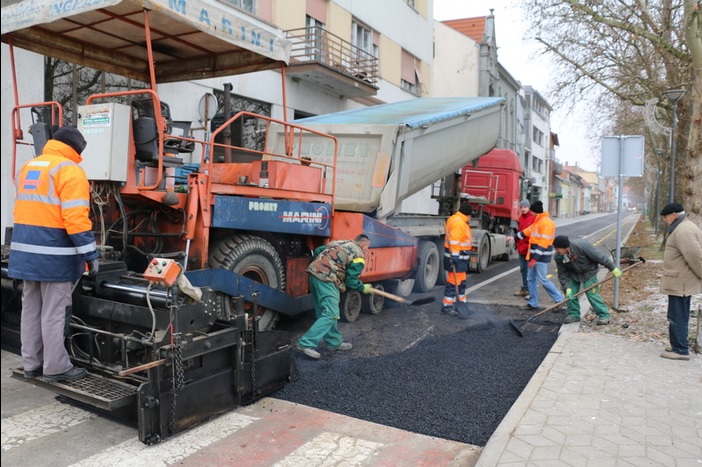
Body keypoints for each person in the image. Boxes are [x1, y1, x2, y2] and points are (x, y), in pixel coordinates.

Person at [8, 126, 99, 383]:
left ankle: (31, 364)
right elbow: (75, 218)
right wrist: (90, 254)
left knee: (31, 309)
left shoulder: (31, 166)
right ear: (76, 149)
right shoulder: (70, 170)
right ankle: (56, 367)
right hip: (54, 256)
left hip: (25, 252)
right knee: (53, 312)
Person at [296, 234, 373, 359]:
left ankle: (333, 342)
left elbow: (317, 251)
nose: (367, 251)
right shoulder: (358, 255)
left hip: (314, 275)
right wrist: (363, 287)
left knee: (324, 311)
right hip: (328, 279)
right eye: (367, 248)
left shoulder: (339, 243)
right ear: (363, 245)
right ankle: (306, 343)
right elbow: (351, 281)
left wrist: (321, 266)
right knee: (331, 314)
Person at [658, 202, 702, 361]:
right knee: (677, 315)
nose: (664, 220)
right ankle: (678, 344)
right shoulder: (684, 226)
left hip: (681, 282)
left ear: (674, 215)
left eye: (665, 217)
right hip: (679, 280)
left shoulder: (682, 230)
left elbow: (695, 256)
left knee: (677, 316)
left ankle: (680, 350)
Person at [553, 235, 623, 325]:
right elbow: (562, 274)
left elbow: (599, 257)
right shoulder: (559, 256)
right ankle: (574, 315)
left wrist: (613, 268)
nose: (556, 251)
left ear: (565, 247)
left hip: (589, 271)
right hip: (573, 274)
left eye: (558, 248)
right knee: (570, 294)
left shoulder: (582, 246)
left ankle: (604, 315)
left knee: (591, 293)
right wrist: (567, 287)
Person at [515, 201, 564, 310]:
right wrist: (514, 237)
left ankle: (559, 300)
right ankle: (533, 303)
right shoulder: (538, 221)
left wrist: (535, 258)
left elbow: (544, 242)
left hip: (540, 257)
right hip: (534, 256)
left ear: (536, 212)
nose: (531, 214)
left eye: (532, 212)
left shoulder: (546, 223)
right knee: (530, 279)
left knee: (543, 279)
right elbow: (527, 232)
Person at [441, 203, 473, 318]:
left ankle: (461, 304)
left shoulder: (456, 219)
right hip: (457, 258)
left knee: (462, 281)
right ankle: (447, 306)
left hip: (460, 259)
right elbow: (454, 241)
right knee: (454, 282)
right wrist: (454, 257)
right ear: (468, 214)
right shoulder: (459, 223)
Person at [514, 199, 536, 298]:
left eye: (525, 207)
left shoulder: (532, 218)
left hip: (528, 248)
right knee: (523, 269)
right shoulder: (521, 218)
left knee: (530, 270)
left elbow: (530, 233)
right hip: (521, 248)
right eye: (521, 207)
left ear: (529, 207)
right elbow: (519, 232)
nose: (523, 209)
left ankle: (530, 290)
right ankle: (525, 289)